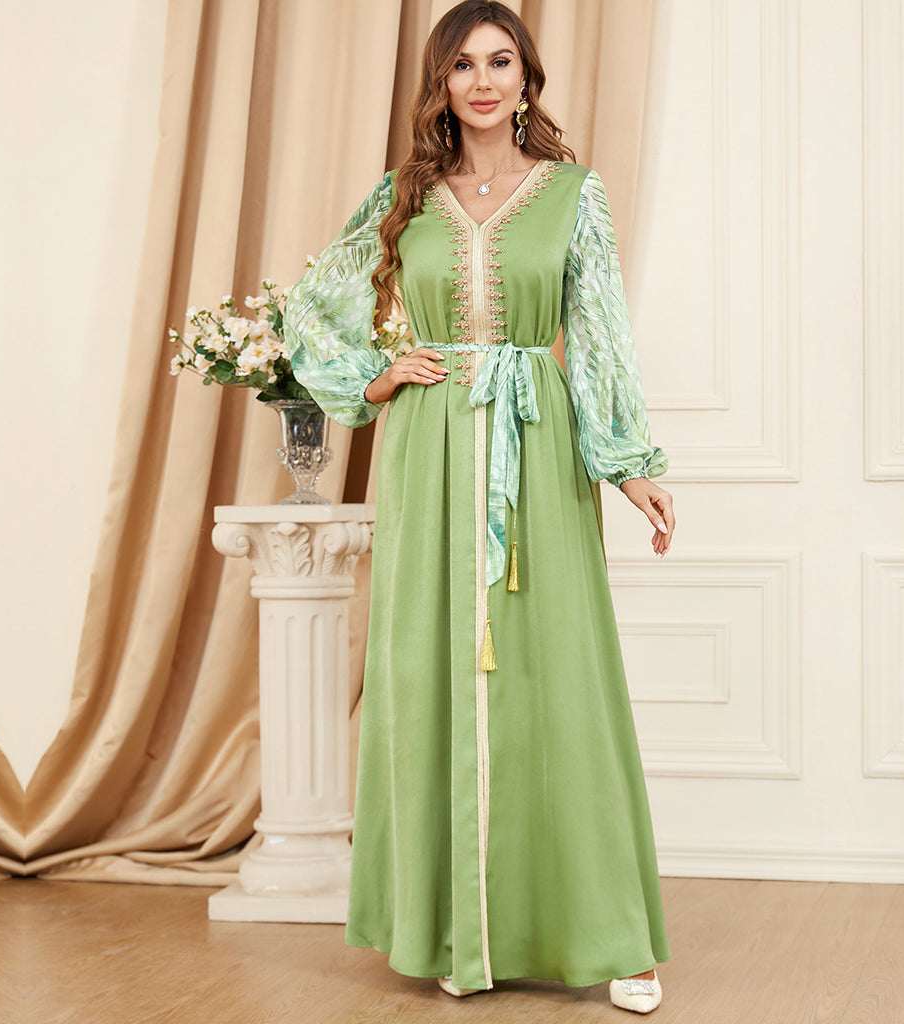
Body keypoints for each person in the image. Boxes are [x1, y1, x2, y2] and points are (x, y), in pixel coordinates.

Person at [284, 0, 674, 1014]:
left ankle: (612, 935)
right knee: (430, 674)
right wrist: (376, 377)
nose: (484, 81)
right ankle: (456, 929)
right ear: (441, 85)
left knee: (561, 677)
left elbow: (598, 333)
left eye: (502, 61)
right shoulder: (403, 197)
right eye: (463, 66)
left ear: (527, 78)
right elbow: (312, 311)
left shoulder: (573, 195)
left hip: (535, 450)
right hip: (427, 448)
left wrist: (630, 465)